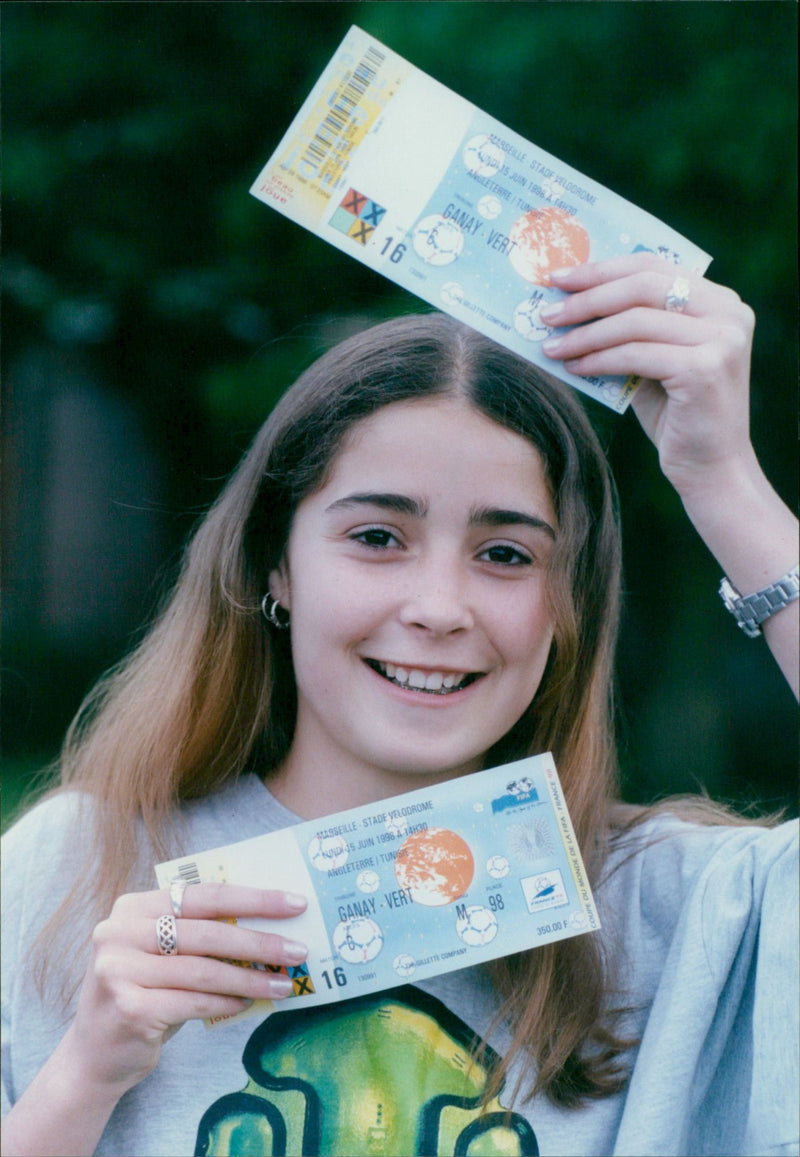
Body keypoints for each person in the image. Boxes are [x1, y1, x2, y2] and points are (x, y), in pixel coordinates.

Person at [1, 253, 797, 1157]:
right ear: (277, 565)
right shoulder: (73, 871)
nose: (438, 606)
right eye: (378, 537)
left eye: (506, 554)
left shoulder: (676, 908)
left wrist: (725, 479)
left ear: (567, 606)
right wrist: (85, 1075)